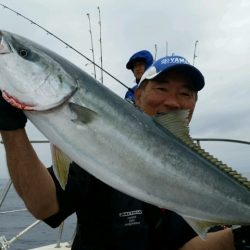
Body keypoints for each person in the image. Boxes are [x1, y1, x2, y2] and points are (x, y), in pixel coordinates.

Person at [0, 55, 249, 250]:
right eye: (162, 88)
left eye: (185, 94)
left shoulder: (205, 173)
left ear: (193, 104)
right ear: (138, 95)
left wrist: (243, 237)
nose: (173, 102)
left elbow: (189, 246)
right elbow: (45, 206)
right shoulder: (99, 147)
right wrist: (11, 129)